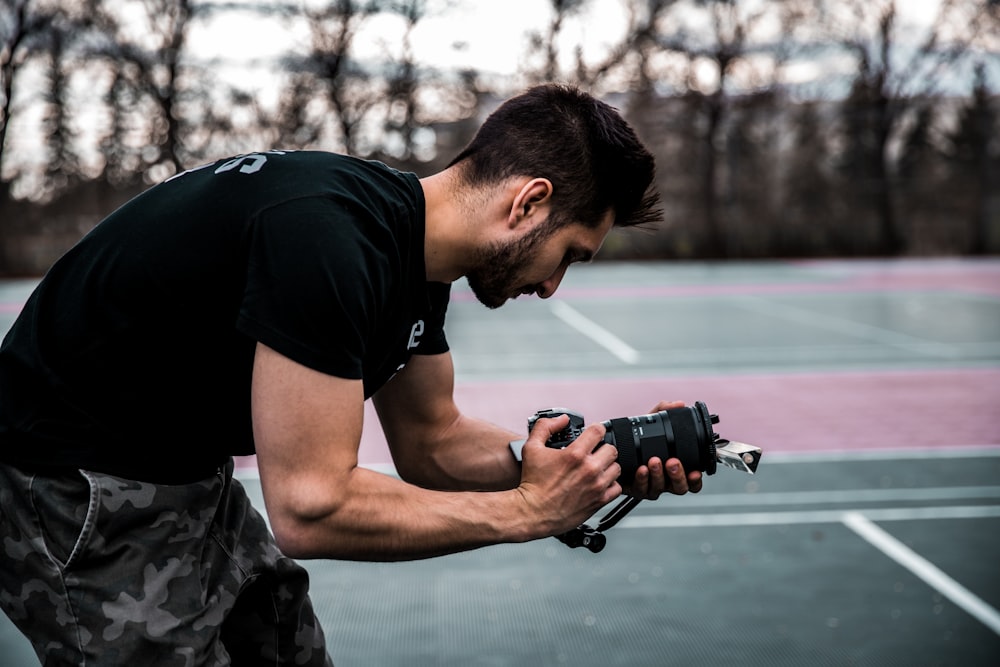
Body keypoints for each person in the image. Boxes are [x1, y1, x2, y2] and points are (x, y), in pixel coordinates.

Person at [0, 83, 703, 666]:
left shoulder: (409, 255)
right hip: (67, 484)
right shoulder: (329, 241)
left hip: (182, 472)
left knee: (287, 648)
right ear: (528, 203)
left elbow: (433, 438)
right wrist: (527, 512)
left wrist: (595, 459)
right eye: (569, 253)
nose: (553, 285)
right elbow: (312, 506)